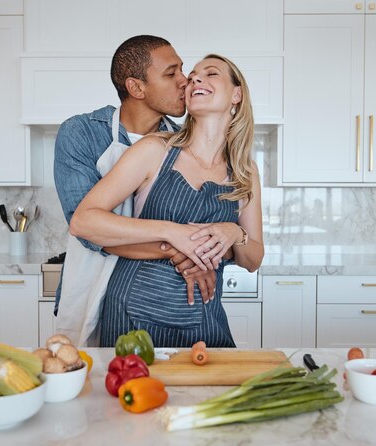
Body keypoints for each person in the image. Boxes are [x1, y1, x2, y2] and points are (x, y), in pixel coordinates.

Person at [70, 54, 264, 347]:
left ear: (237, 94)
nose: (195, 78)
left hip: (204, 314)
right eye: (194, 75)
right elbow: (83, 221)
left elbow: (254, 259)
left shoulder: (245, 170)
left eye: (211, 74)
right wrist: (173, 233)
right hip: (132, 314)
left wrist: (234, 232)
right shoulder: (155, 150)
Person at [54, 35, 218, 346]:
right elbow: (88, 230)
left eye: (182, 70)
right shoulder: (82, 133)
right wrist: (178, 248)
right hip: (89, 287)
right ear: (136, 88)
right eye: (171, 74)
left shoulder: (185, 141)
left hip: (155, 300)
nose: (186, 81)